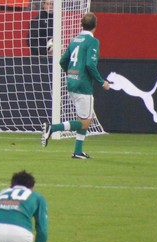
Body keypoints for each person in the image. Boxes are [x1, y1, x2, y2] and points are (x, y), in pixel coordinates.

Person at [41, 12, 110, 159]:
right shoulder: (93, 41)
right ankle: (52, 128)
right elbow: (90, 64)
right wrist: (102, 82)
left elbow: (62, 61)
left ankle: (78, 151)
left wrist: (72, 72)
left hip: (71, 81)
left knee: (84, 118)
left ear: (81, 24)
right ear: (95, 26)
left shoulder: (74, 40)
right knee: (86, 121)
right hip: (83, 84)